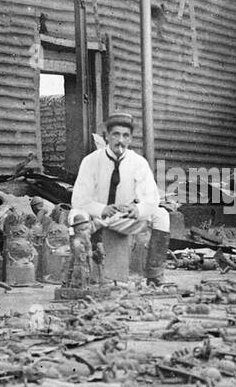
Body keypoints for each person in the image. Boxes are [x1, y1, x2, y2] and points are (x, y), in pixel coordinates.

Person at [71, 111, 174, 286]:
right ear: (107, 136)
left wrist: (138, 209)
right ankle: (82, 273)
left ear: (130, 139)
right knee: (75, 215)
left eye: (126, 136)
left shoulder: (138, 162)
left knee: (161, 214)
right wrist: (101, 209)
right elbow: (79, 199)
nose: (121, 140)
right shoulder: (91, 161)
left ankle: (155, 274)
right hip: (95, 217)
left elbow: (151, 198)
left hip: (122, 218)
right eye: (116, 134)